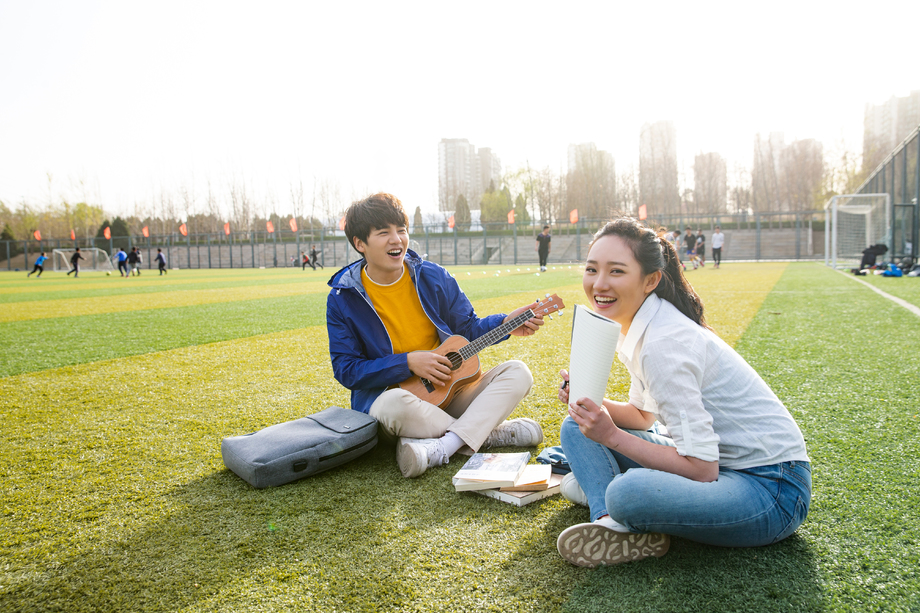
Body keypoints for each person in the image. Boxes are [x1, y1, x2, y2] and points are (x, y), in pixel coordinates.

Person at [554, 217, 810, 567]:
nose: (599, 284)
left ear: (651, 280)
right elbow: (643, 417)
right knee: (576, 426)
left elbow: (702, 469)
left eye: (616, 272)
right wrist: (589, 405)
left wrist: (611, 436)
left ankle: (615, 504)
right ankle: (607, 522)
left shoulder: (663, 344)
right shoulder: (643, 325)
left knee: (627, 493)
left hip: (771, 488)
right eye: (591, 269)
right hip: (721, 466)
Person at [326, 193, 545, 479]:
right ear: (360, 244)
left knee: (518, 373)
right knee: (394, 406)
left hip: (449, 391)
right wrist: (407, 363)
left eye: (401, 230)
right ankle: (488, 434)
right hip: (396, 400)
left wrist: (505, 323)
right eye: (384, 233)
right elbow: (346, 369)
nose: (397, 239)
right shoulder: (343, 298)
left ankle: (445, 444)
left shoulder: (433, 276)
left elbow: (467, 329)